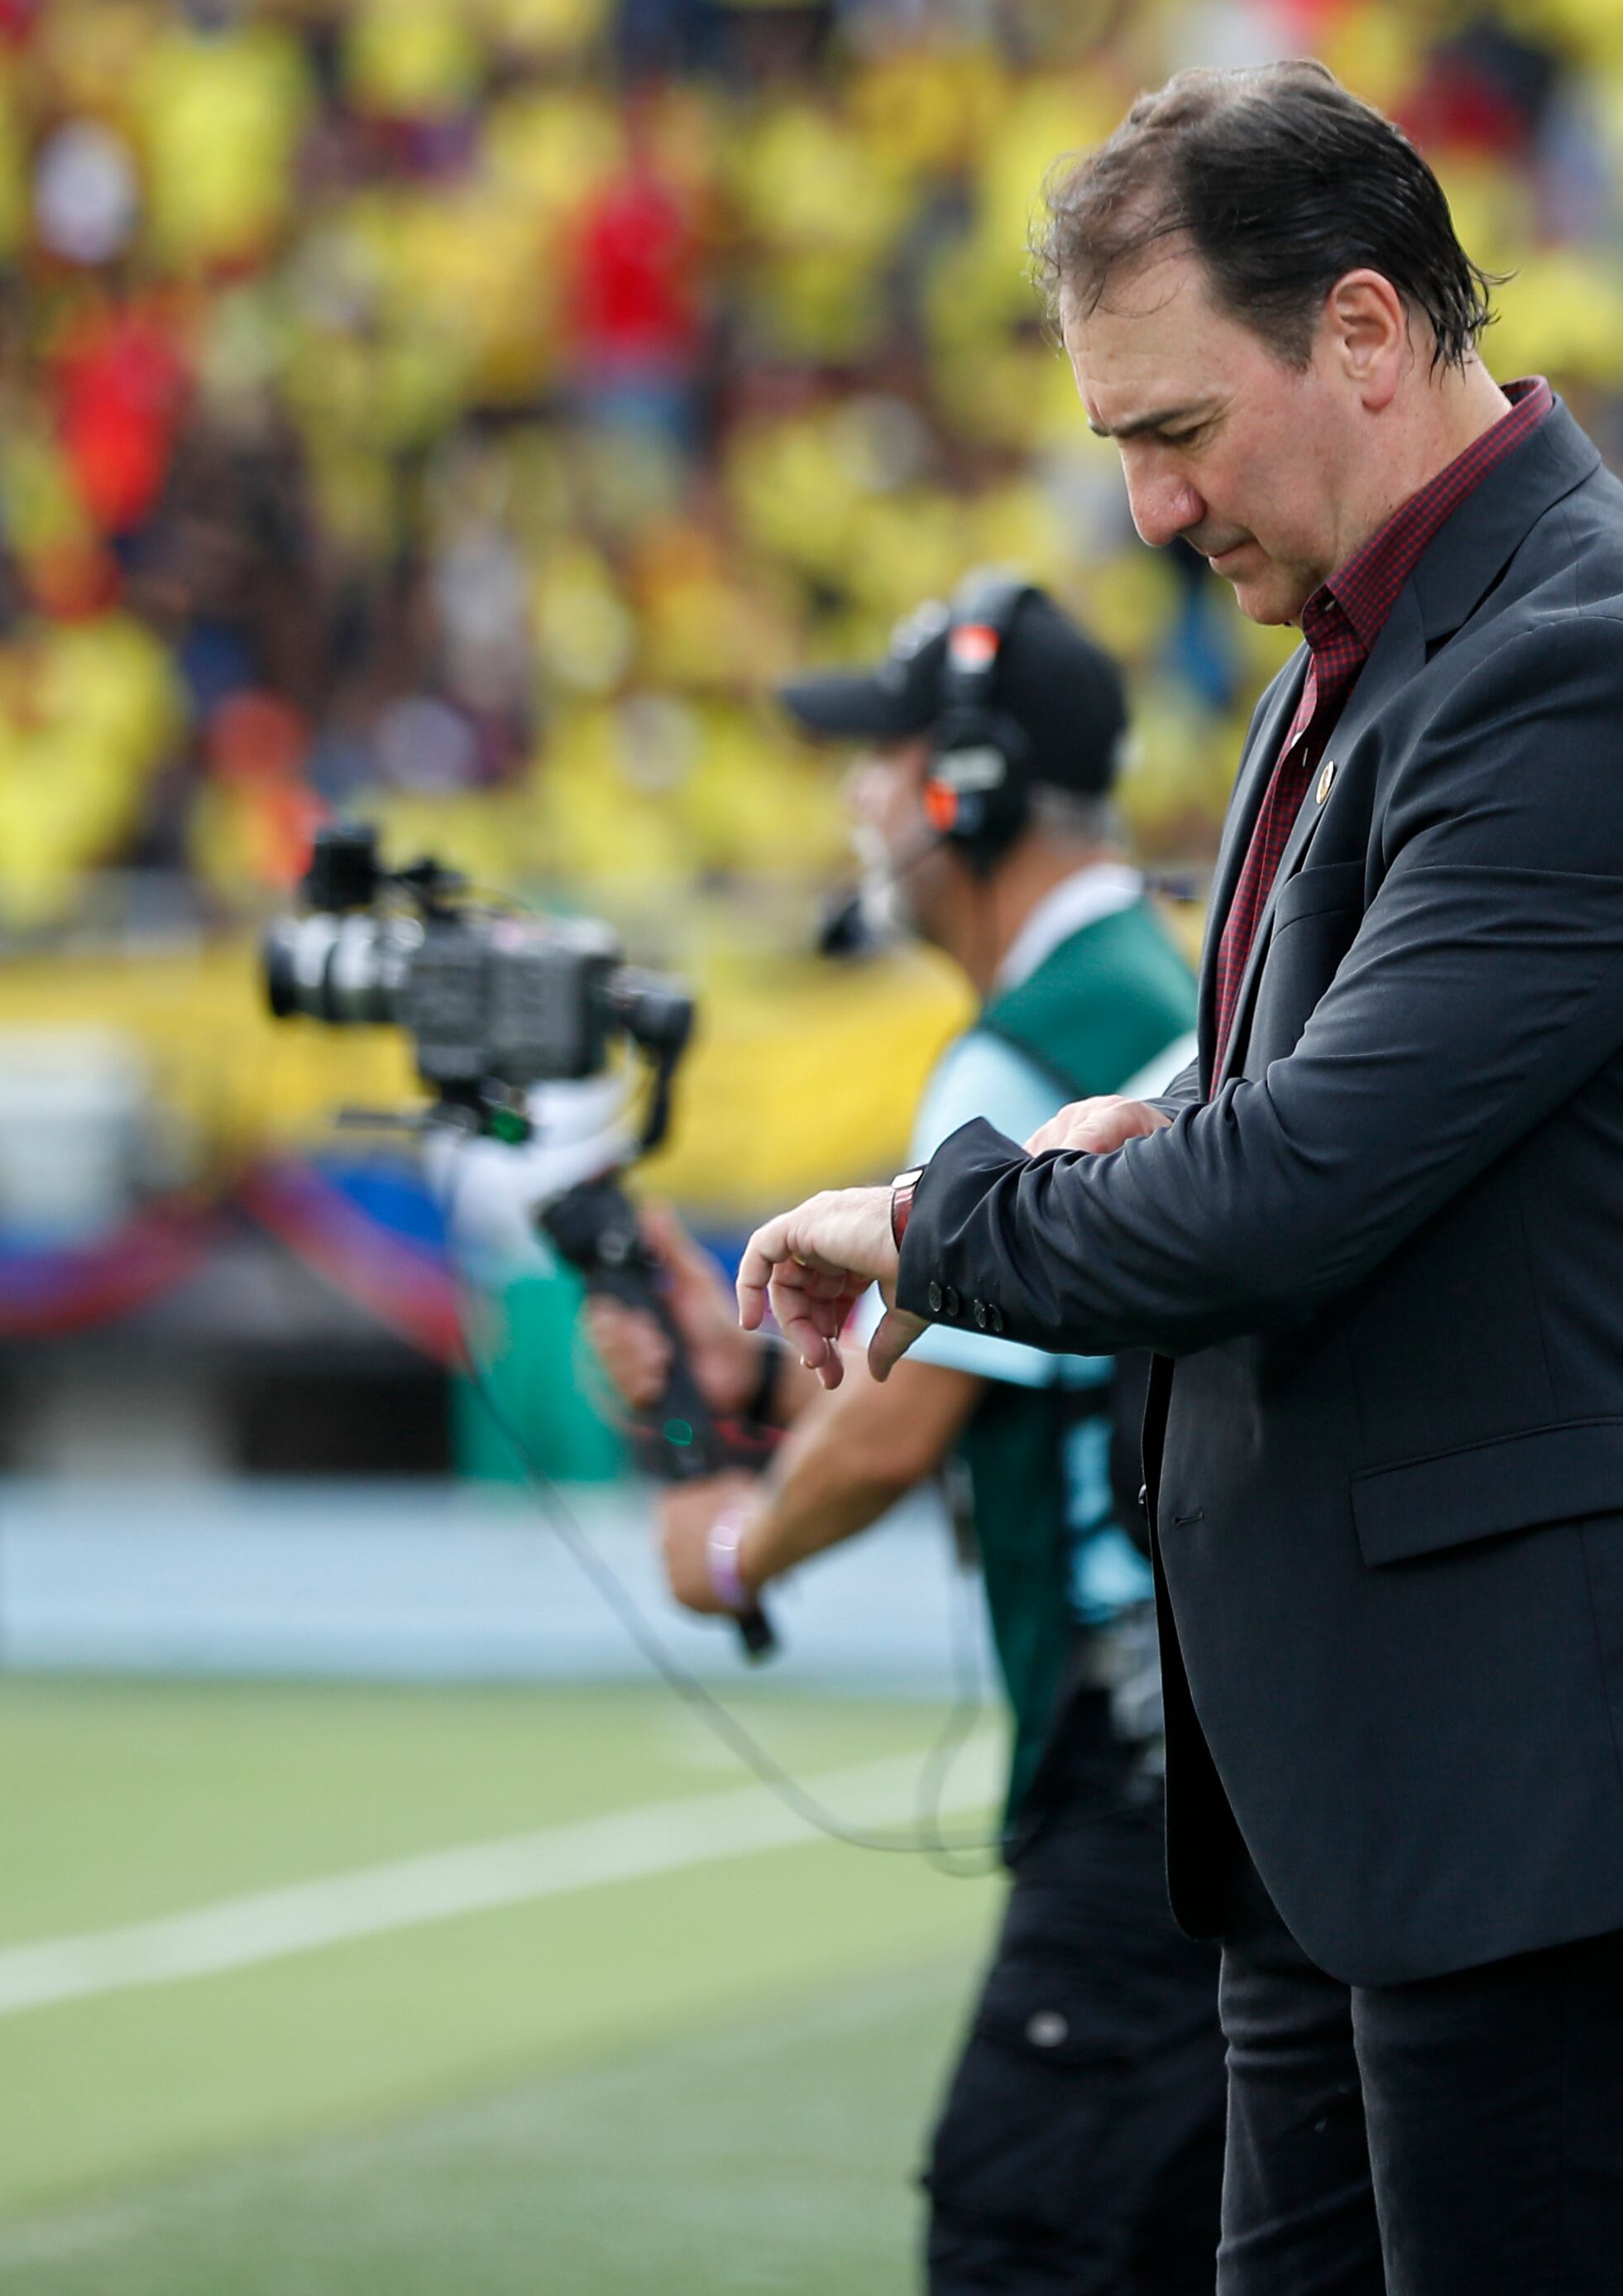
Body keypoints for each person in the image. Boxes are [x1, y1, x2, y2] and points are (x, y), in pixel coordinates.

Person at [731, 64, 1623, 2295]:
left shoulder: (1583, 668)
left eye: (1176, 431)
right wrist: (1160, 1137)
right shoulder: (1361, 657)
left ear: (1363, 331)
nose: (1151, 506)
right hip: (1353, 1785)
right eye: (1120, 444)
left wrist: (938, 1217)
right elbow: (1384, 1139)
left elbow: (1303, 1193)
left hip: (1529, 1783)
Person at [591, 578, 1223, 2295]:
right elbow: (954, 1365)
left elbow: (893, 1429)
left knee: (1023, 2235)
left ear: (967, 785)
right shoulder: (1137, 986)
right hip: (1220, 1743)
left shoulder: (1029, 1042)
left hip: (1140, 1763)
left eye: (880, 757)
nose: (857, 801)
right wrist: (733, 1387)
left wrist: (730, 1550)